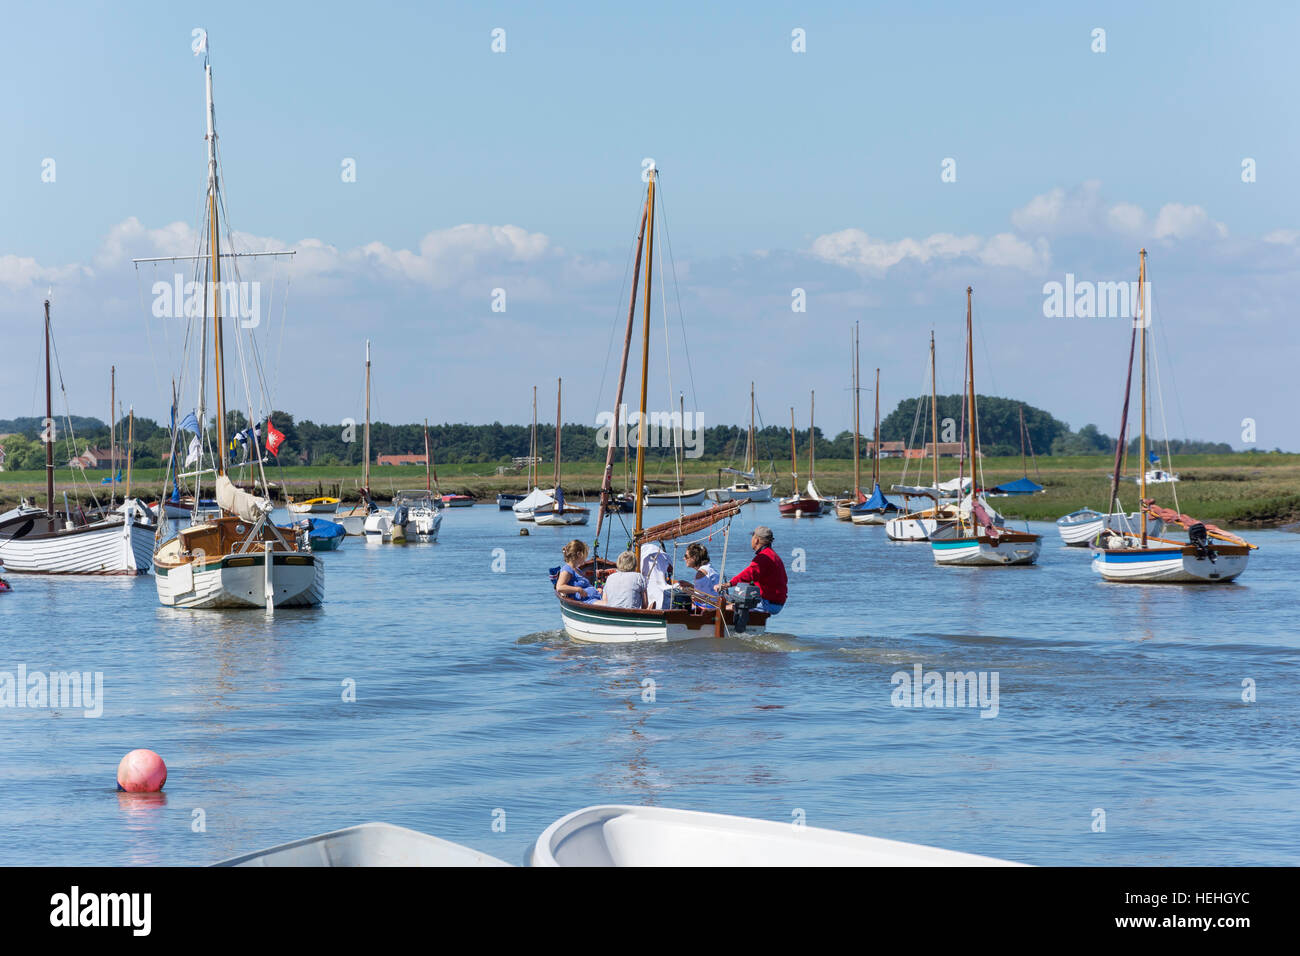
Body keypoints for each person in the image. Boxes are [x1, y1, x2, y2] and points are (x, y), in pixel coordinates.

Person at [722, 525, 787, 615]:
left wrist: (729, 584)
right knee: (733, 602)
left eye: (752, 537)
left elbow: (750, 573)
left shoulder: (763, 557)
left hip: (768, 603)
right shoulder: (773, 556)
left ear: (756, 540)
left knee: (723, 608)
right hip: (776, 602)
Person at [677, 542, 720, 609]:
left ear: (693, 558)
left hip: (708, 609)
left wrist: (684, 590)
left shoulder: (701, 574)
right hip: (716, 604)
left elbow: (700, 599)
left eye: (686, 556)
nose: (684, 558)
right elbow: (707, 592)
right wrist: (690, 585)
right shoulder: (709, 568)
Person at [639, 541, 673, 609]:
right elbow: (670, 568)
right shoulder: (662, 556)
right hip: (660, 584)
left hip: (649, 587)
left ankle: (651, 605)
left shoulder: (643, 554)